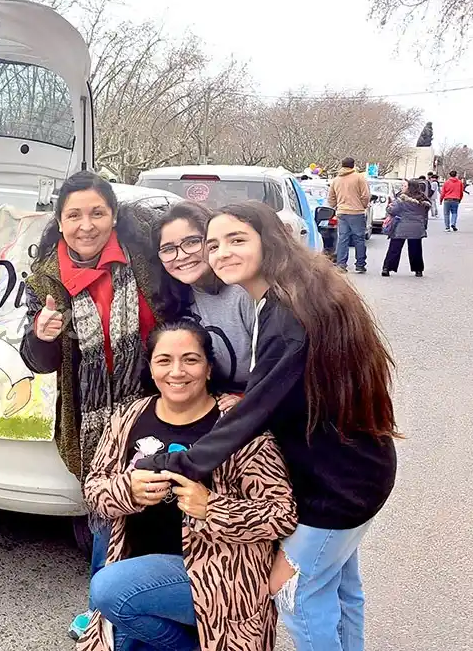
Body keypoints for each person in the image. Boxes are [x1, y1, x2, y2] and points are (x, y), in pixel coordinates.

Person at [136, 201, 398, 651]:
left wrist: (174, 463)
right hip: (358, 465)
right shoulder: (296, 293)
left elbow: (255, 413)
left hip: (338, 486)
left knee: (294, 594)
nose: (221, 253)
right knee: (339, 588)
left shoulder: (287, 316)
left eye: (236, 240)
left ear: (268, 239)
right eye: (214, 244)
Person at [76, 320, 297, 651]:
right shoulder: (129, 418)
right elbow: (93, 489)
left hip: (218, 580)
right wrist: (127, 491)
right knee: (114, 628)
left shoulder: (238, 427)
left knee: (108, 590)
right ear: (150, 368)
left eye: (190, 360)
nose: (176, 371)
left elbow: (282, 514)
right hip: (144, 578)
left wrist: (212, 507)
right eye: (164, 360)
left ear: (209, 368)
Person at [17, 171, 170, 638]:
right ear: (60, 222)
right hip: (91, 421)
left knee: (159, 508)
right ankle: (102, 611)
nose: (87, 224)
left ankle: (147, 606)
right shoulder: (45, 279)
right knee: (106, 512)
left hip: (156, 409)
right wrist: (42, 337)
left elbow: (179, 319)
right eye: (75, 215)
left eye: (97, 213)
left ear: (114, 216)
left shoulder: (146, 260)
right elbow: (38, 360)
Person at [156, 201, 254, 393]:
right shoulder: (174, 298)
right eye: (168, 248)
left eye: (192, 242)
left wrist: (246, 400)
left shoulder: (244, 293)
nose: (181, 255)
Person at [326, 157, 370, 273]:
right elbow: (365, 195)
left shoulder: (336, 180)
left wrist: (336, 206)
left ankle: (341, 264)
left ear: (342, 165)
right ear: (353, 165)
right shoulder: (359, 178)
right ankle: (360, 264)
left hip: (342, 212)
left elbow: (331, 198)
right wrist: (363, 206)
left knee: (343, 238)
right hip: (356, 212)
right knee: (359, 238)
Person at [382, 180, 430, 277]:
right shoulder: (423, 202)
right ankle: (418, 270)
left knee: (394, 248)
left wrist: (388, 207)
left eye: (405, 186)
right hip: (417, 228)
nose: (402, 187)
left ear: (409, 188)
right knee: (416, 249)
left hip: (401, 227)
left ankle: (387, 268)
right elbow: (424, 214)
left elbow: (392, 211)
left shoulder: (401, 200)